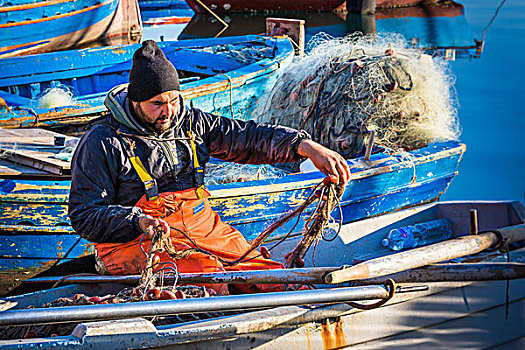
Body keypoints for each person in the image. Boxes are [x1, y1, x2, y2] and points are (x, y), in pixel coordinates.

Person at [68, 40, 350, 295]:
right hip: (138, 244)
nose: (168, 112)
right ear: (135, 101)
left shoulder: (191, 122)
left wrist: (305, 147)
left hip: (206, 232)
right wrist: (136, 221)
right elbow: (84, 215)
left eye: (173, 101)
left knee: (269, 275)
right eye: (157, 104)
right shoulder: (102, 142)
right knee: (208, 277)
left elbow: (247, 138)